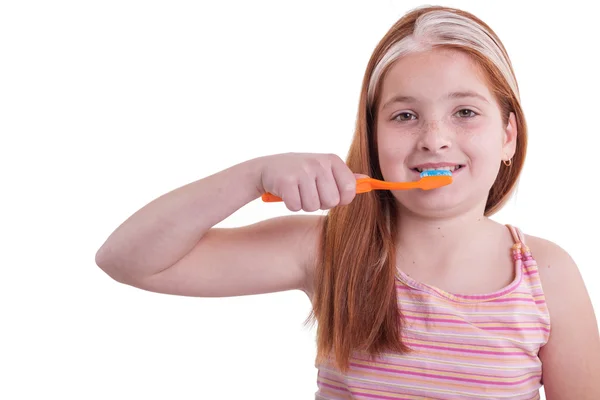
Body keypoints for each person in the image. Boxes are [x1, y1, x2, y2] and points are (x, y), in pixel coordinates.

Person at [95, 5, 600, 399]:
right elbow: (128, 260)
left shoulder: (545, 275)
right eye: (404, 116)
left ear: (509, 136)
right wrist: (253, 176)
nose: (434, 139)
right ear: (373, 136)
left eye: (465, 112)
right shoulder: (331, 250)